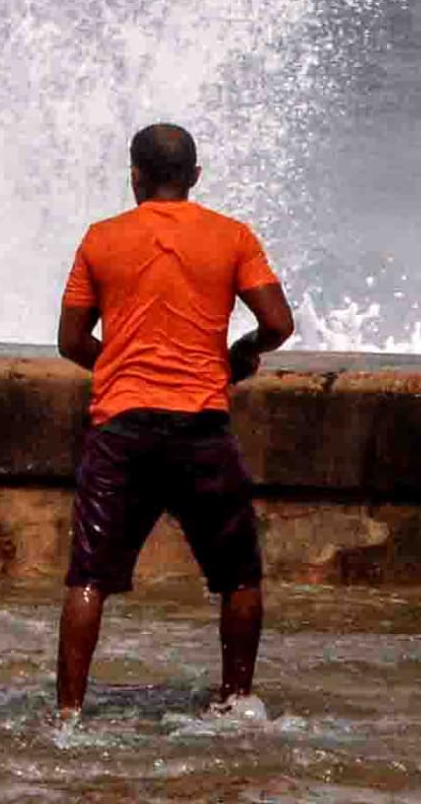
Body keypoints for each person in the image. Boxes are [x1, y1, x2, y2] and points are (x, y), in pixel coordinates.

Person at [53, 122, 294, 721]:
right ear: (194, 178)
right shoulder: (232, 236)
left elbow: (69, 340)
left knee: (89, 576)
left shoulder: (101, 239)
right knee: (238, 575)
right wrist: (240, 356)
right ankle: (236, 701)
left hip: (121, 428)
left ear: (135, 176)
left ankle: (68, 715)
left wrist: (116, 364)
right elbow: (279, 322)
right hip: (200, 427)